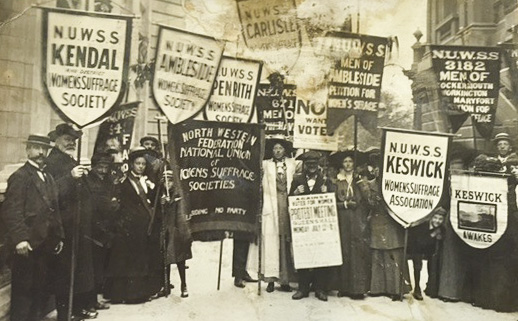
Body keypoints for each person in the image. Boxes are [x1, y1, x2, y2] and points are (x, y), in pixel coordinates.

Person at [1, 134, 64, 321]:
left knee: (41, 288)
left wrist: (59, 235)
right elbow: (11, 211)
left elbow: (55, 209)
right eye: (36, 148)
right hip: (27, 244)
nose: (41, 152)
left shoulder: (49, 177)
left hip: (46, 242)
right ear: (28, 150)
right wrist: (20, 239)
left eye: (44, 149)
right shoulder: (20, 176)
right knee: (24, 292)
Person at [45, 123, 97, 320]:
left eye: (73, 140)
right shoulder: (52, 162)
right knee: (64, 272)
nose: (71, 143)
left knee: (79, 269)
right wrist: (70, 177)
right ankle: (65, 313)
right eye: (67, 139)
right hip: (64, 226)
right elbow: (50, 193)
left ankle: (76, 309)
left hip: (78, 225)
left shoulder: (69, 159)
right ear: (56, 140)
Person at [104, 147, 163, 303]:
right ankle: (127, 295)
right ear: (131, 164)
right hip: (128, 228)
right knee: (128, 262)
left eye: (143, 164)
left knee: (141, 260)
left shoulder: (147, 181)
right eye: (138, 163)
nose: (141, 167)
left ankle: (140, 293)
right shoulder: (123, 181)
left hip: (143, 227)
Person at [358, 155, 411, 301]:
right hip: (376, 223)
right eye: (375, 168)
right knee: (377, 254)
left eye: (381, 168)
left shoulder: (397, 184)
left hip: (394, 223)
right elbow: (367, 205)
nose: (377, 170)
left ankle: (395, 289)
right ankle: (377, 287)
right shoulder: (368, 185)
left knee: (393, 254)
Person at [255, 137, 298, 293]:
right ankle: (271, 280)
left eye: (280, 148)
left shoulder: (292, 164)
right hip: (271, 206)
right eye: (275, 149)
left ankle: (285, 280)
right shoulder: (266, 165)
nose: (278, 151)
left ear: (285, 150)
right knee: (271, 242)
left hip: (286, 205)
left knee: (285, 242)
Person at [290, 150, 331, 302]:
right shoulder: (297, 179)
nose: (312, 166)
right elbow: (289, 199)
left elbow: (332, 201)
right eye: (309, 164)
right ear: (305, 166)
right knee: (304, 253)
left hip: (320, 224)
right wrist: (295, 193)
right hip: (304, 224)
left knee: (320, 255)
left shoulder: (325, 180)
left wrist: (327, 193)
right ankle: (303, 288)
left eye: (314, 164)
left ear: (318, 165)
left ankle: (320, 289)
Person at [329, 151, 370, 299]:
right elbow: (332, 201)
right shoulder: (336, 181)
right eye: (345, 161)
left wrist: (361, 184)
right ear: (342, 164)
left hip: (358, 219)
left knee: (357, 253)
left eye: (350, 161)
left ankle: (358, 289)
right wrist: (345, 204)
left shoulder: (360, 180)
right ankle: (344, 288)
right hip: (343, 219)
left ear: (354, 164)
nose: (347, 164)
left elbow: (367, 199)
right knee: (344, 251)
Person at [84, 152, 120, 309]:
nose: (103, 170)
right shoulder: (88, 181)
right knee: (91, 269)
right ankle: (89, 301)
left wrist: (114, 203)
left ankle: (95, 299)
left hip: (106, 227)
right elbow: (95, 204)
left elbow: (114, 198)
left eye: (106, 167)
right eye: (100, 167)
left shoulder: (108, 180)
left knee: (99, 268)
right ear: (93, 166)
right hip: (92, 229)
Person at [160, 170, 192, 298]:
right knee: (165, 259)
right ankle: (166, 285)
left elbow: (182, 214)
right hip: (165, 230)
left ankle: (183, 284)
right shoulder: (160, 194)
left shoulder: (179, 194)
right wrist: (163, 204)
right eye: (165, 181)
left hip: (178, 231)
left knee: (180, 260)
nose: (168, 184)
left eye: (171, 181)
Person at [407, 207, 445, 300]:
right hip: (417, 248)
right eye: (435, 218)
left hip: (430, 249)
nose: (437, 221)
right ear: (431, 218)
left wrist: (439, 236)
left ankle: (431, 288)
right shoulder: (423, 225)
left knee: (432, 265)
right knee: (418, 266)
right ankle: (417, 289)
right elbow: (420, 242)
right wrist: (433, 234)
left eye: (440, 219)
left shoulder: (442, 228)